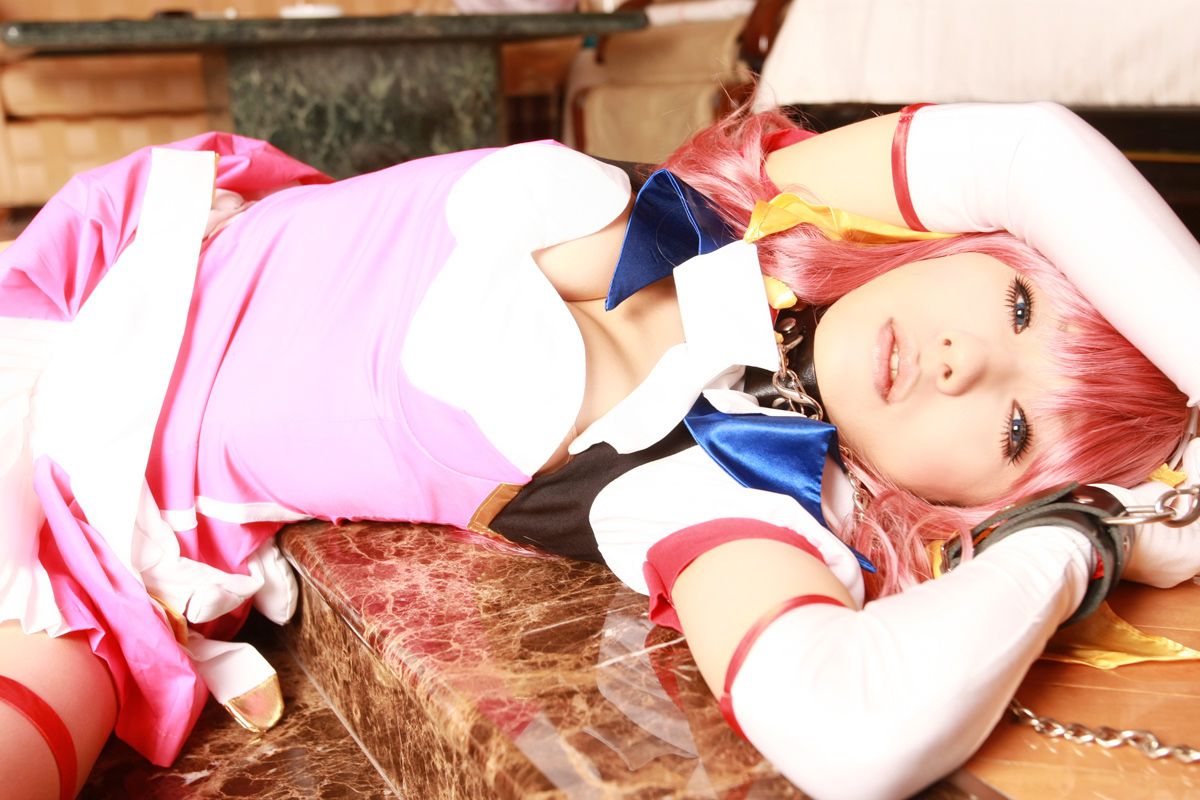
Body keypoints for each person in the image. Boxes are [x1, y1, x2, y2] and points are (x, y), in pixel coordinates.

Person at [0, 100, 1197, 800]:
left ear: (980, 507)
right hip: (93, 283)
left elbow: (853, 730)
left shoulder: (724, 492)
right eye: (1020, 305)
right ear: (974, 241)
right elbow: (1030, 150)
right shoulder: (763, 203)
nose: (962, 361)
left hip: (80, 548)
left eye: (1016, 430)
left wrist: (1084, 536)